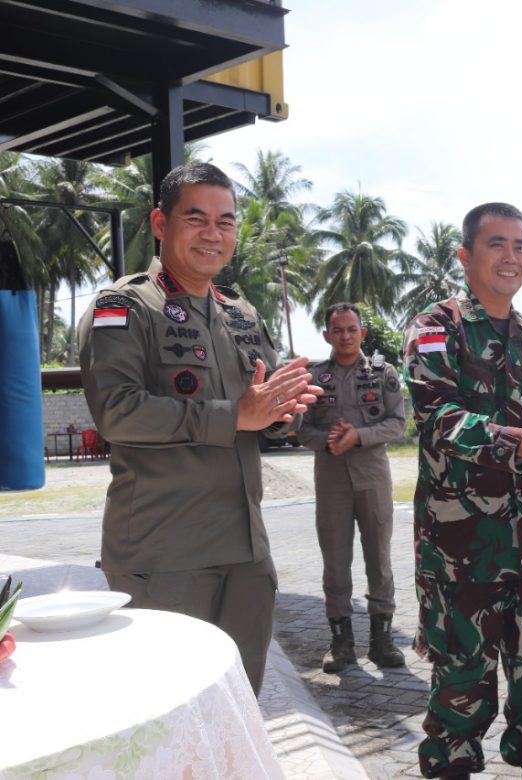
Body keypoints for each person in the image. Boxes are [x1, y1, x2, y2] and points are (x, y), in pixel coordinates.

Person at [78, 161, 320, 694]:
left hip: (247, 556)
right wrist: (236, 415)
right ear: (161, 224)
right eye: (197, 218)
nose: (214, 233)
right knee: (165, 712)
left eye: (226, 221)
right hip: (164, 556)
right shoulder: (124, 306)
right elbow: (117, 411)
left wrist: (284, 412)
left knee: (236, 709)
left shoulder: (240, 313)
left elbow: (263, 406)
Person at [404, 203, 522, 780]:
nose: (511, 256)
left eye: (521, 244)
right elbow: (437, 417)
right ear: (465, 257)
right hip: (461, 550)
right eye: (496, 244)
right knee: (460, 685)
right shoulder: (436, 327)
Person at [299, 302, 407, 672]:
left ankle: (382, 640)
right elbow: (301, 427)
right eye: (337, 330)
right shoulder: (314, 377)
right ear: (327, 335)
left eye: (351, 329)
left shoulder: (383, 373)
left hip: (372, 479)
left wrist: (358, 436)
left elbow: (398, 423)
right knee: (335, 561)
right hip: (331, 481)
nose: (345, 336)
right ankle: (341, 643)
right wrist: (328, 439)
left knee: (379, 559)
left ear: (362, 332)